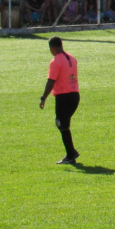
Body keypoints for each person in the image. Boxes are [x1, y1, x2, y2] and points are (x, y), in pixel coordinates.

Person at [39, 36, 81, 165]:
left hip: (64, 96)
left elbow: (51, 81)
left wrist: (43, 97)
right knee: (63, 124)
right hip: (75, 95)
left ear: (52, 48)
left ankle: (70, 154)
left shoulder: (56, 61)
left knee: (61, 124)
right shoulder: (72, 58)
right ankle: (71, 153)